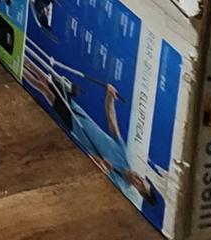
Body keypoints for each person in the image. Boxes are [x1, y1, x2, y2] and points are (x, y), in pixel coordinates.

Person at [23, 58, 157, 207]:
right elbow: (112, 120)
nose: (137, 178)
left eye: (139, 184)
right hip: (81, 114)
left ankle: (19, 66)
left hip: (75, 126)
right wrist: (110, 95)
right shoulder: (124, 155)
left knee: (45, 90)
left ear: (138, 191)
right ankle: (24, 58)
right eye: (141, 178)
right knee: (46, 80)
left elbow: (91, 160)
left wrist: (101, 162)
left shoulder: (119, 183)